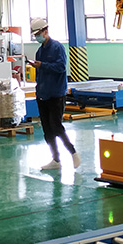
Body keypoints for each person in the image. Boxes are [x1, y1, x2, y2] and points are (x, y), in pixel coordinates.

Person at [27, 17, 80, 170]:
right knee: (47, 130)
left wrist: (43, 65)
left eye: (38, 34)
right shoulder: (40, 51)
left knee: (56, 126)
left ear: (45, 31)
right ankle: (56, 159)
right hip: (43, 94)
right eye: (35, 35)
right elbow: (40, 73)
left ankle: (73, 153)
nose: (37, 37)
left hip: (56, 94)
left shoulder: (57, 48)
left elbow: (61, 67)